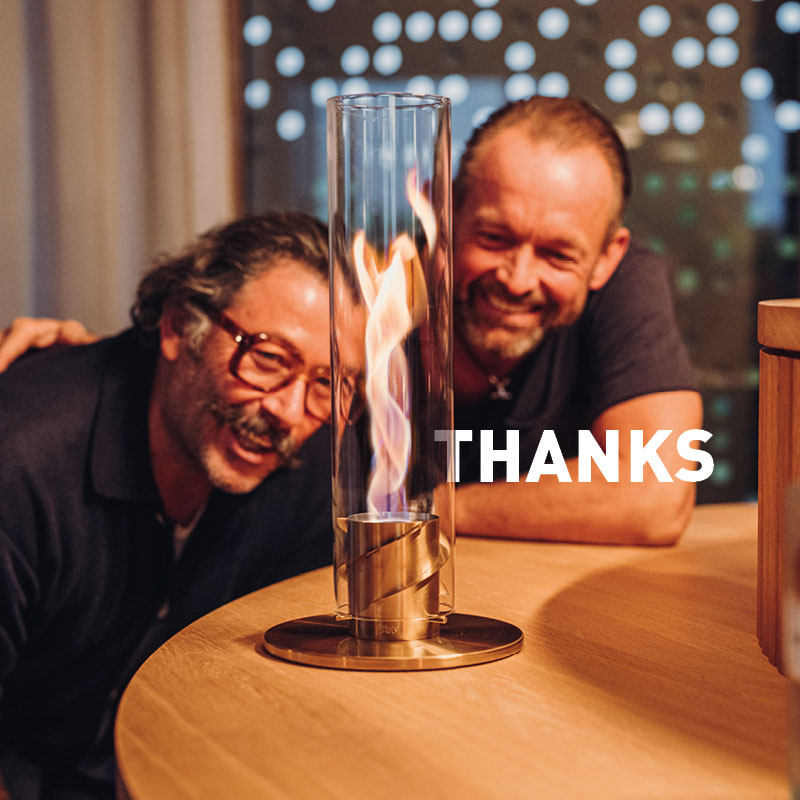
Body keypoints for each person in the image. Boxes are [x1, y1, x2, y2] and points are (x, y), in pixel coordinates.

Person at [0, 97, 700, 549]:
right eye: (492, 236)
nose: (517, 277)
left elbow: (652, 495)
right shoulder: (373, 303)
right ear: (440, 217)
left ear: (607, 256)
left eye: (554, 254)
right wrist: (107, 369)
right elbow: (231, 348)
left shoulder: (625, 287)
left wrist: (416, 505)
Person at [0, 212, 358, 799]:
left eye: (331, 383)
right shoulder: (21, 464)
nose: (291, 414)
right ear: (176, 328)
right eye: (268, 358)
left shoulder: (315, 465)